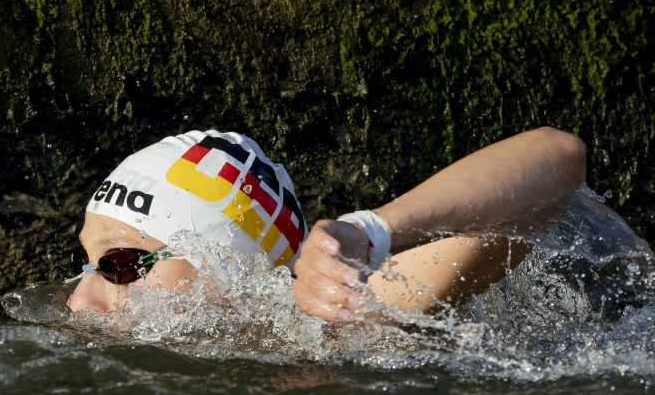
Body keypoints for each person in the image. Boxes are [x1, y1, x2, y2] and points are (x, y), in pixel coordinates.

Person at [67, 127, 587, 322]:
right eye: (87, 264)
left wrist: (372, 231)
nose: (78, 301)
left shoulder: (344, 318)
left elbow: (559, 158)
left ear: (230, 262)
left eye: (121, 264)